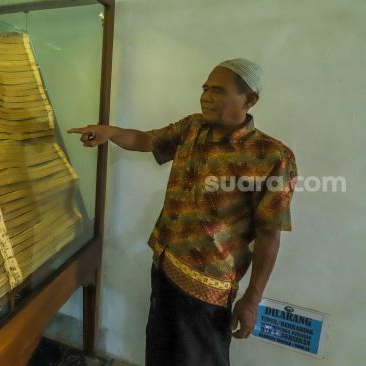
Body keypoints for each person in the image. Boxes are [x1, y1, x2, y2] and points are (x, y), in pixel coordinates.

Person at [68, 58, 298, 366]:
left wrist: (252, 300)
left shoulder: (271, 156)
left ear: (249, 99)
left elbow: (269, 235)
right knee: (160, 352)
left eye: (218, 91)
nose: (206, 96)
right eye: (205, 88)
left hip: (208, 291)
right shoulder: (192, 128)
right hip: (164, 266)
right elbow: (148, 139)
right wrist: (109, 132)